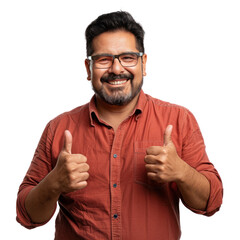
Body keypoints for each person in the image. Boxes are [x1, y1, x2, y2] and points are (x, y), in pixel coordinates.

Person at [16, 11, 223, 240]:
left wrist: (182, 172)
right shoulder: (58, 128)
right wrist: (53, 183)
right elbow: (27, 216)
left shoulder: (179, 120)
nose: (116, 69)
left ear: (143, 63)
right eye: (104, 59)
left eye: (127, 57)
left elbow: (211, 202)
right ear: (88, 68)